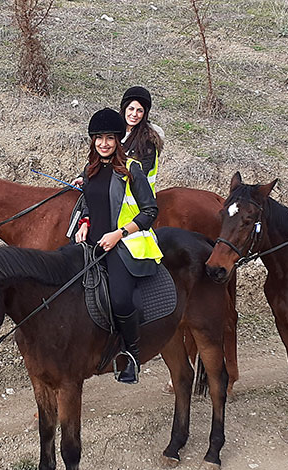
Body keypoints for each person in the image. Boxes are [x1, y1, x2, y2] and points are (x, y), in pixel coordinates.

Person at [73, 108, 163, 384]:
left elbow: (150, 211)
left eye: (109, 138)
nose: (103, 143)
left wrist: (119, 233)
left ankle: (132, 355)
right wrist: (84, 222)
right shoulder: (90, 170)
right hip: (91, 242)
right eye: (98, 138)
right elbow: (89, 201)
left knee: (121, 299)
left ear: (117, 139)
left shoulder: (132, 170)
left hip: (122, 245)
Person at [119, 86, 165, 194]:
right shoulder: (112, 132)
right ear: (124, 108)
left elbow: (139, 175)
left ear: (145, 113)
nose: (134, 114)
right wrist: (83, 177)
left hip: (135, 201)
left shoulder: (148, 141)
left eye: (139, 111)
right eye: (131, 109)